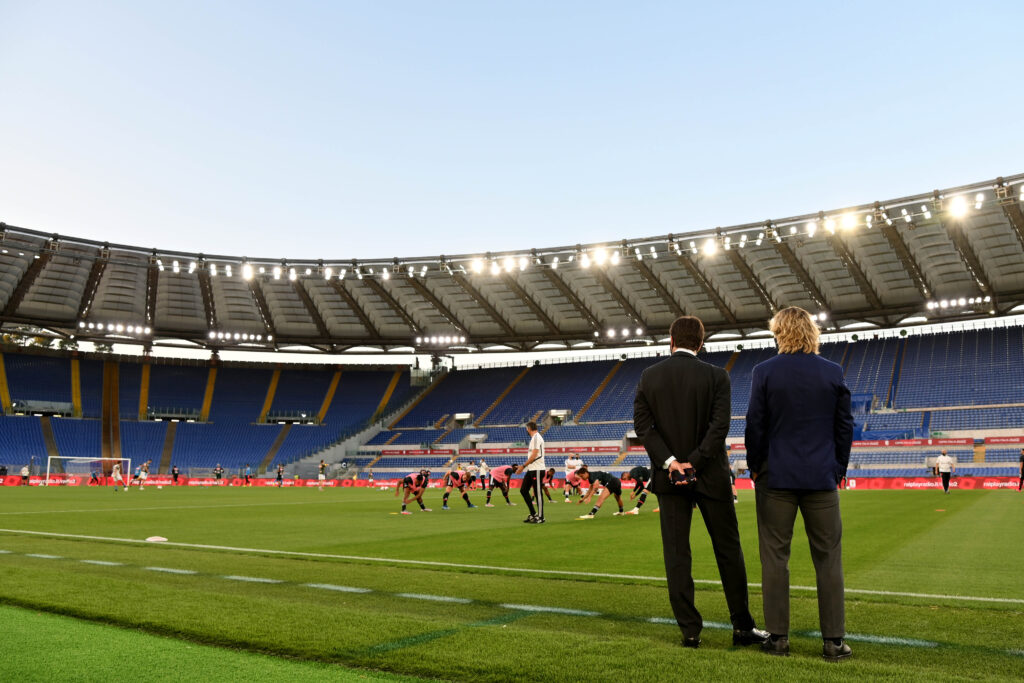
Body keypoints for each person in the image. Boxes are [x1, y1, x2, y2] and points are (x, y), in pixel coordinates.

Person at [634, 315, 767, 650]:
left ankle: (690, 631)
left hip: (669, 478)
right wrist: (694, 461)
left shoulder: (649, 376)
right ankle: (742, 626)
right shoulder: (717, 376)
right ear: (701, 343)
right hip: (710, 475)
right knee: (728, 550)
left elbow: (643, 427)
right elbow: (719, 427)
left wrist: (671, 463)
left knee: (677, 553)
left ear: (671, 341)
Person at [746, 306, 854, 661]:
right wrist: (838, 468)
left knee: (775, 556)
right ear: (812, 331)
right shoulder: (832, 371)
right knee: (829, 557)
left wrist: (755, 467)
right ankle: (833, 642)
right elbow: (844, 426)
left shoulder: (764, 371)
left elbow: (755, 424)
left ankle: (778, 638)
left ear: (779, 332)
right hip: (821, 478)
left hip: (775, 477)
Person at [514, 421, 546, 524]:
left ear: (528, 428)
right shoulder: (534, 438)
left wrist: (523, 466)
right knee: (523, 490)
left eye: (526, 429)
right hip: (532, 469)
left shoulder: (536, 437)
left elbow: (534, 455)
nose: (526, 431)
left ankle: (541, 517)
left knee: (537, 493)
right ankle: (533, 514)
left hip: (537, 469)